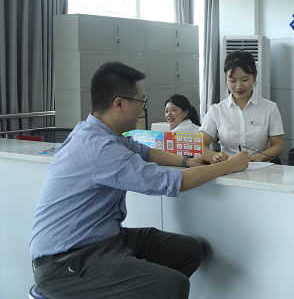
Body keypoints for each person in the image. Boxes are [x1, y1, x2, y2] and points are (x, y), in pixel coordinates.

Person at [30, 62, 250, 299]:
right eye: (140, 101)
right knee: (171, 285)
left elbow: (144, 151)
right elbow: (170, 182)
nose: (142, 108)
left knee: (189, 250)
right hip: (65, 261)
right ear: (119, 104)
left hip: (106, 240)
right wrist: (229, 165)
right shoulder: (99, 147)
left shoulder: (101, 132)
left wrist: (186, 160)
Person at [200, 50, 284, 163]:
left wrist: (258, 157)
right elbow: (200, 144)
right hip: (227, 168)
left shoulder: (270, 108)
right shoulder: (216, 110)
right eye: (233, 80)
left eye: (245, 80)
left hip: (260, 168)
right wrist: (215, 155)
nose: (239, 86)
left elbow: (278, 146)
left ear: (255, 76)